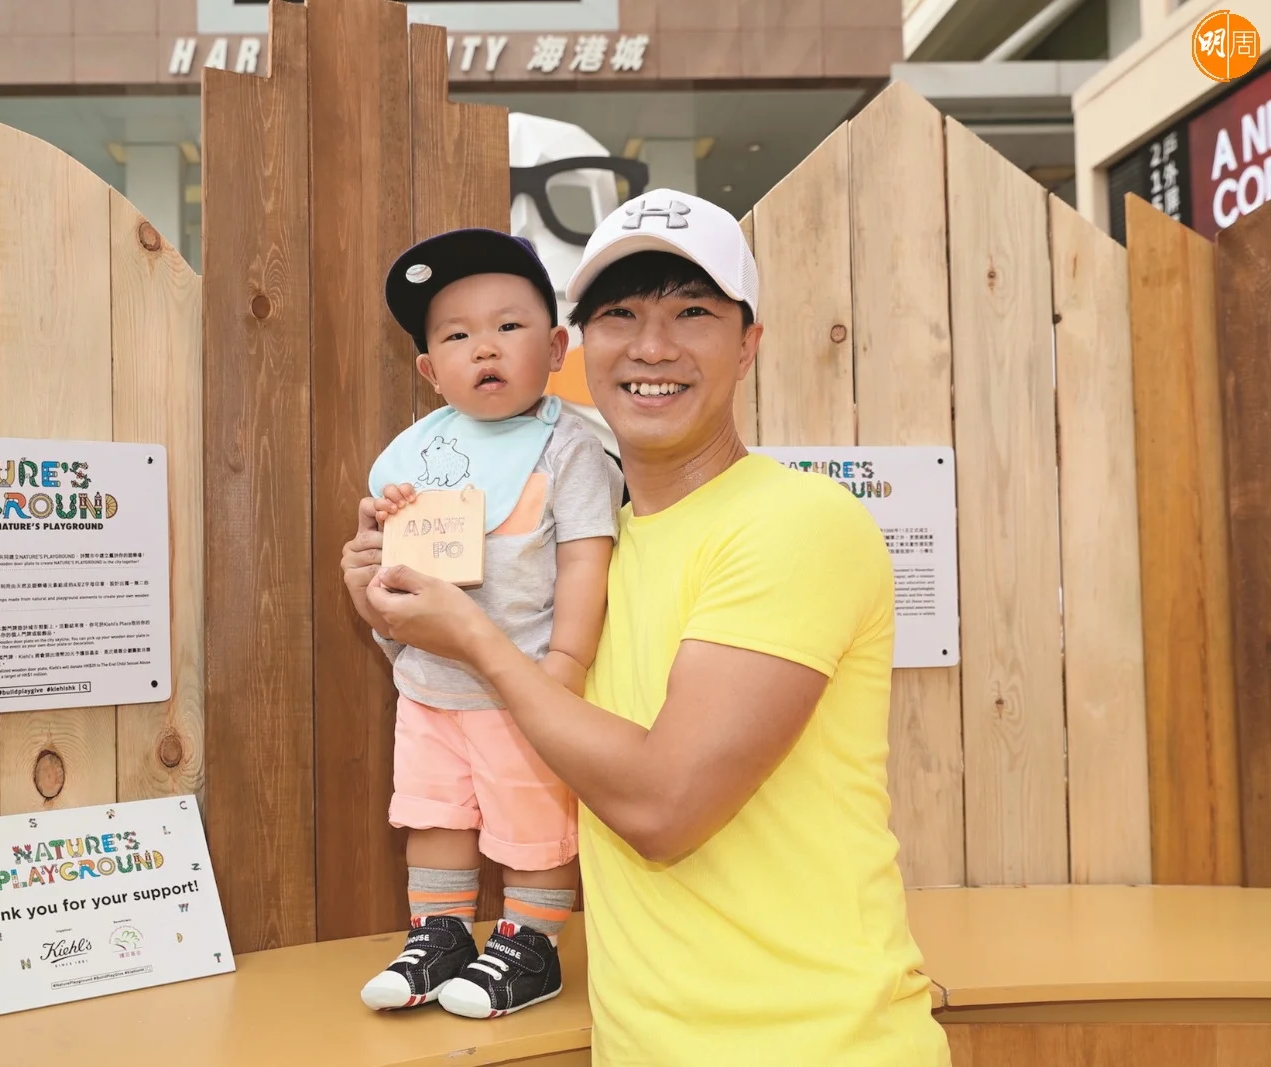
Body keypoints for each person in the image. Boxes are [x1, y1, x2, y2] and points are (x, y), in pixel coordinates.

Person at [346, 190, 952, 1065]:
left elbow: (665, 807)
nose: (653, 346)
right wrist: (388, 605)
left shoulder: (796, 523)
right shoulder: (588, 551)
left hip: (820, 1043)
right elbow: (478, 686)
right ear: (582, 348)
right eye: (620, 314)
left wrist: (475, 639)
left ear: (749, 344)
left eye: (692, 312)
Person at [342, 228, 624, 1019]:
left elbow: (586, 559)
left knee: (531, 816)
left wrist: (565, 664)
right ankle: (439, 934)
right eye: (457, 336)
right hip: (428, 685)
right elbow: (390, 578)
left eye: (509, 325)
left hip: (524, 682)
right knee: (433, 812)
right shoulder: (414, 458)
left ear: (556, 347)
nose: (485, 347)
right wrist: (373, 568)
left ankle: (532, 944)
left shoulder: (569, 449)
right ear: (430, 370)